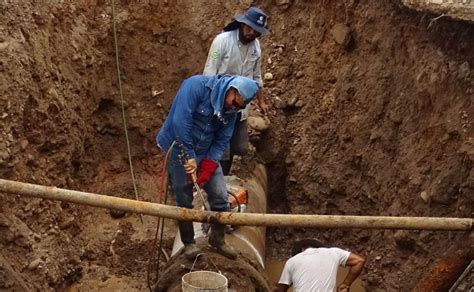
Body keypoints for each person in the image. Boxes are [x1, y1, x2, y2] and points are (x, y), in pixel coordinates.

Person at [156, 75, 259, 260]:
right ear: (231, 89)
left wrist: (209, 165)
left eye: (240, 107)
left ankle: (217, 240)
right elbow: (181, 122)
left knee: (220, 197)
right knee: (184, 198)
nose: (234, 108)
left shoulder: (232, 112)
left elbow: (222, 140)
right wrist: (189, 156)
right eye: (235, 102)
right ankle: (188, 243)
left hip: (204, 151)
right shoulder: (195, 86)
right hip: (178, 146)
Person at [203, 6, 270, 175]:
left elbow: (257, 76)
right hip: (222, 103)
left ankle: (223, 174)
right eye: (249, 28)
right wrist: (210, 101)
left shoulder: (256, 48)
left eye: (256, 31)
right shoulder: (222, 41)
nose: (251, 33)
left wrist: (261, 100)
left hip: (241, 106)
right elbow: (210, 71)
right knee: (222, 146)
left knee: (238, 146)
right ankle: (217, 178)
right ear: (242, 24)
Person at [275, 238, 365, 292]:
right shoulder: (333, 252)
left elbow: (281, 290)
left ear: (302, 249)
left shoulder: (292, 261)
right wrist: (345, 284)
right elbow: (359, 261)